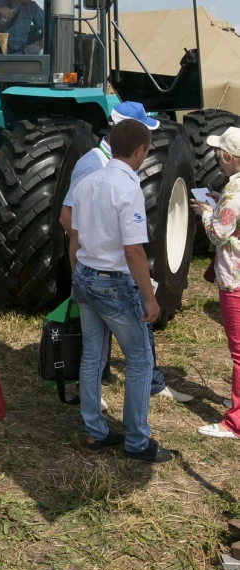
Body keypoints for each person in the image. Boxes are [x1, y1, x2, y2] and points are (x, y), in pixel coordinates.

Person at [60, 100, 193, 404]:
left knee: (109, 340)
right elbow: (69, 218)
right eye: (145, 134)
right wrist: (97, 252)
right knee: (123, 344)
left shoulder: (119, 166)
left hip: (116, 268)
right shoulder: (93, 164)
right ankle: (131, 417)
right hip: (111, 271)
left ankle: (138, 388)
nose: (148, 144)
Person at [70, 118, 179, 463]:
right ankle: (136, 441)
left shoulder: (88, 182)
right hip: (113, 282)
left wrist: (79, 276)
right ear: (140, 150)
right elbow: (133, 252)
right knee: (140, 359)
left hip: (86, 274)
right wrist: (149, 298)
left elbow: (73, 235)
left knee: (92, 355)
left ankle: (95, 432)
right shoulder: (128, 189)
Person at [190, 126, 240, 440]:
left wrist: (208, 213)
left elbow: (217, 234)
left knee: (239, 354)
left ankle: (235, 422)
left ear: (228, 156)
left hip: (235, 280)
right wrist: (220, 203)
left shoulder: (235, 191)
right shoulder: (232, 191)